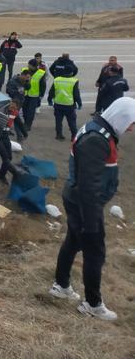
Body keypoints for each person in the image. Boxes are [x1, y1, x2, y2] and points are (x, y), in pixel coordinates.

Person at [50, 97, 135, 321]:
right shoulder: (96, 139)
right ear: (121, 117)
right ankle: (92, 304)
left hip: (80, 200)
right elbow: (88, 185)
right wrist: (91, 223)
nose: (131, 128)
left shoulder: (99, 129)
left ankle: (61, 286)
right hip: (85, 204)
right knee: (95, 252)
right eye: (131, 123)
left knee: (73, 241)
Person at [48, 70, 81, 140]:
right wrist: (79, 103)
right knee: (72, 121)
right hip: (69, 105)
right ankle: (74, 136)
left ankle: (59, 135)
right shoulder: (74, 81)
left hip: (58, 104)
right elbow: (76, 94)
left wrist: (49, 100)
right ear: (71, 72)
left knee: (58, 121)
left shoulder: (57, 80)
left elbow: (51, 91)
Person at [21, 59, 46, 130]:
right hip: (25, 94)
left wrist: (41, 95)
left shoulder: (41, 73)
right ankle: (25, 122)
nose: (28, 66)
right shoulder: (24, 70)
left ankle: (28, 125)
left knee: (31, 111)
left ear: (34, 66)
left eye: (30, 65)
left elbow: (43, 85)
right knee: (24, 110)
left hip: (34, 95)